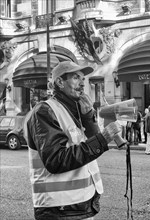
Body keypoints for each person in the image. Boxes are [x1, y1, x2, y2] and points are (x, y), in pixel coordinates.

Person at [24, 61, 122, 220]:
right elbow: (56, 160)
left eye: (83, 79)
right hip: (60, 209)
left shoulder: (75, 109)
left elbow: (90, 145)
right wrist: (103, 138)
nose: (82, 84)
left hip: (81, 204)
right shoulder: (44, 111)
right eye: (76, 78)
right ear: (60, 82)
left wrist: (88, 117)